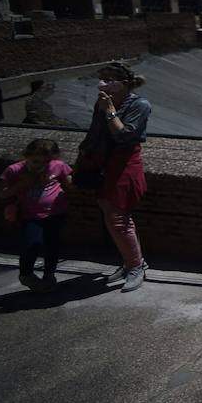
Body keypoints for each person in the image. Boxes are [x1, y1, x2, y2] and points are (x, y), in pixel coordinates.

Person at [77, 61, 152, 293]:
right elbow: (94, 133)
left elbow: (124, 136)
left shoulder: (140, 105)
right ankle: (132, 261)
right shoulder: (100, 104)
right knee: (113, 213)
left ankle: (136, 266)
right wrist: (83, 157)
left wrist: (109, 110)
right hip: (102, 162)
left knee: (118, 217)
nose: (103, 83)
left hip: (124, 162)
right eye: (102, 78)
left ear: (124, 83)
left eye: (110, 79)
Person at [0, 139, 73, 293]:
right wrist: (26, 181)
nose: (41, 166)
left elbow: (70, 184)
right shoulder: (14, 170)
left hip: (56, 212)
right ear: (27, 155)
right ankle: (26, 274)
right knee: (32, 244)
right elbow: (3, 193)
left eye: (46, 162)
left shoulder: (57, 166)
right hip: (31, 214)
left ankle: (49, 275)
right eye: (36, 161)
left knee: (52, 245)